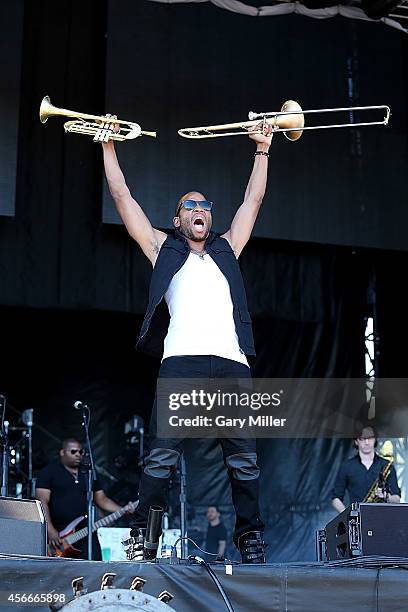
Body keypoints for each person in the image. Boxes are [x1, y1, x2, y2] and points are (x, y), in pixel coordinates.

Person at [102, 119, 274, 563]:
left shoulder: (227, 248)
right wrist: (108, 147)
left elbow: (253, 200)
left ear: (209, 218)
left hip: (232, 364)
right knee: (161, 457)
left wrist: (263, 148)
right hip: (182, 362)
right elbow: (123, 198)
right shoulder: (164, 249)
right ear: (179, 219)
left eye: (205, 205)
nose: (200, 209)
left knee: (244, 460)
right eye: (189, 205)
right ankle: (145, 537)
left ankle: (250, 539)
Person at [36, 437, 131, 559]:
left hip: (87, 532)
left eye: (81, 452)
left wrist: (123, 509)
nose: (78, 455)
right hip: (60, 534)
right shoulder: (49, 472)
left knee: (95, 566)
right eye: (73, 451)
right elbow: (41, 502)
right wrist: (50, 530)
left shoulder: (88, 472)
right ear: (62, 452)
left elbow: (102, 499)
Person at [331, 426, 401, 513]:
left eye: (370, 438)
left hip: (383, 518)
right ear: (356, 441)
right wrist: (347, 515)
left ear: (375, 439)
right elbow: (335, 498)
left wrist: (386, 496)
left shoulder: (386, 465)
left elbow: (397, 499)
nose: (367, 442)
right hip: (358, 519)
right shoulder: (347, 466)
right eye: (362, 439)